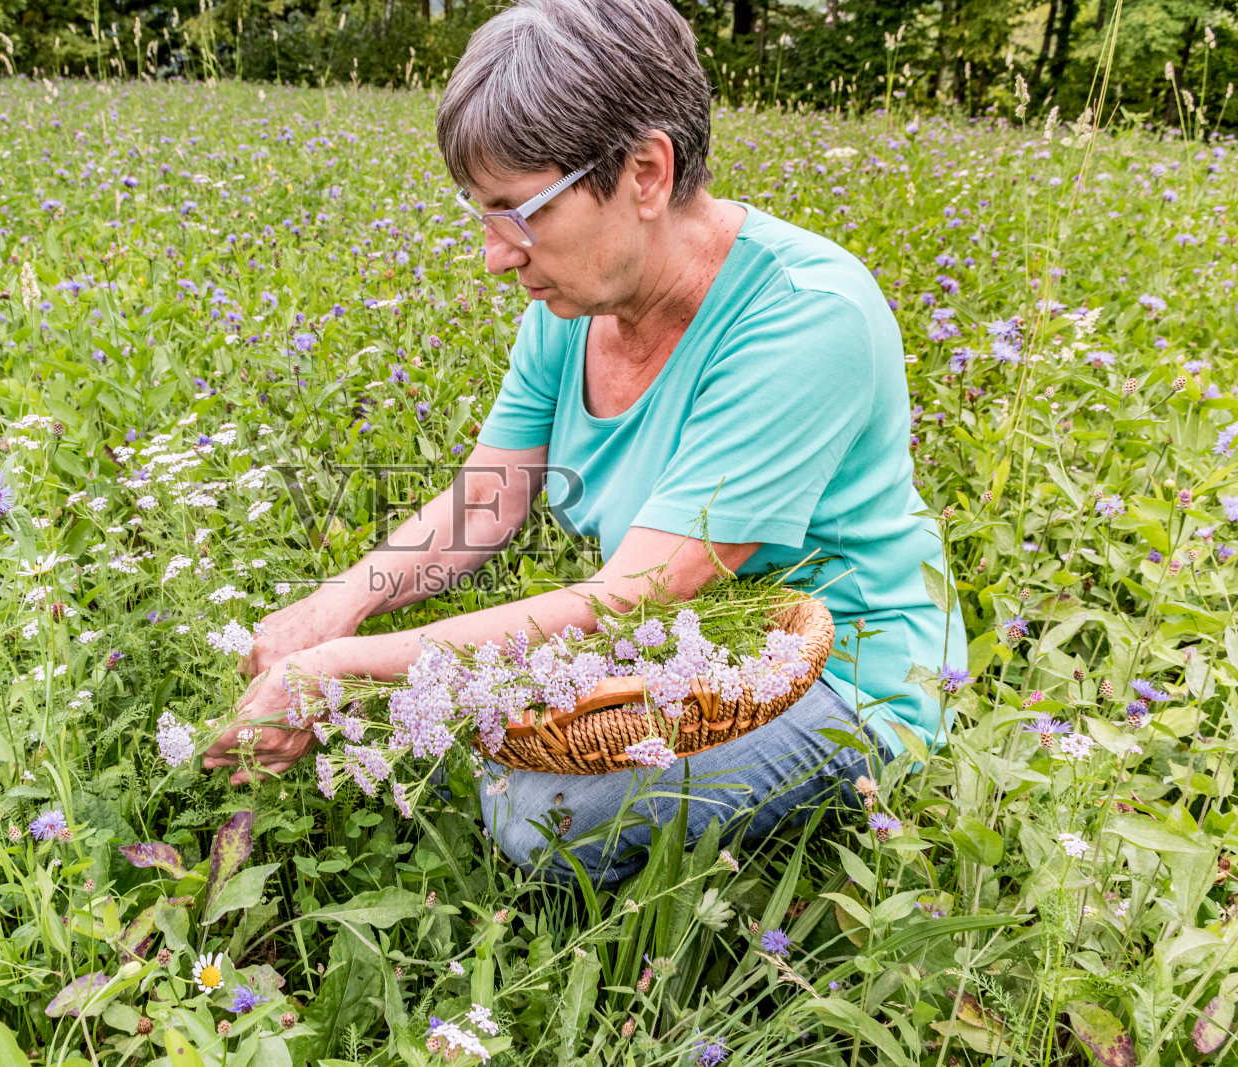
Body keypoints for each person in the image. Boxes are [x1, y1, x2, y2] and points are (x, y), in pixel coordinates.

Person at [203, 0, 967, 886]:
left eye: (516, 213)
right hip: (694, 650)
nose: (495, 255)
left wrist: (343, 669)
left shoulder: (805, 320)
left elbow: (633, 597)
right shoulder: (576, 302)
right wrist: (341, 602)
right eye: (478, 214)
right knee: (501, 744)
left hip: (843, 676)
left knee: (545, 820)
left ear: (645, 172)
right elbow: (487, 496)